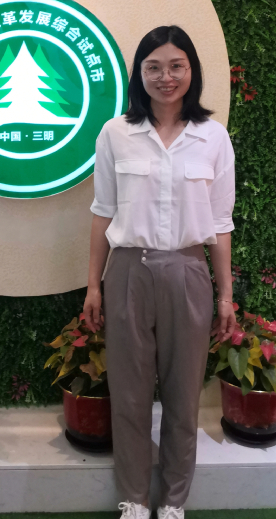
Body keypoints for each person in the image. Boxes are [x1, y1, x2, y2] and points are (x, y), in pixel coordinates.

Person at [83, 25, 237, 519]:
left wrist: (226, 295)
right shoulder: (115, 133)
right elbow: (103, 211)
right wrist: (93, 285)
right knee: (128, 394)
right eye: (153, 67)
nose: (165, 77)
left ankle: (173, 502)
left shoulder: (212, 137)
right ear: (139, 74)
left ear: (192, 71)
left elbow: (221, 222)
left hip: (189, 271)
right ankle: (133, 498)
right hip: (128, 272)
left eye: (176, 66)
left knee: (182, 395)